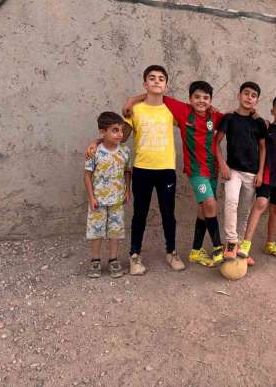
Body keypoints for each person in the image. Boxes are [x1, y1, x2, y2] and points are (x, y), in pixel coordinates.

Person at [86, 65, 185, 274]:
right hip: (141, 169)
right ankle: (135, 256)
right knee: (140, 213)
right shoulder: (135, 111)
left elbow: (195, 118)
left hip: (166, 168)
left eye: (161, 79)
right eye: (152, 78)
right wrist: (96, 141)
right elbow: (118, 136)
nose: (157, 81)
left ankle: (172, 252)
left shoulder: (171, 110)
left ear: (166, 85)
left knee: (168, 213)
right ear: (145, 84)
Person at [122, 81, 225, 267]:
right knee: (210, 204)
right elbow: (155, 94)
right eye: (197, 97)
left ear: (210, 100)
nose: (201, 101)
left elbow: (232, 121)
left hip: (212, 170)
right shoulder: (182, 110)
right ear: (189, 99)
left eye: (206, 98)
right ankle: (218, 247)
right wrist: (131, 100)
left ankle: (195, 251)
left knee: (203, 209)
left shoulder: (214, 116)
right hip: (195, 170)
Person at [215, 82, 267, 262]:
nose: (249, 97)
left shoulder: (258, 122)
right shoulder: (229, 118)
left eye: (253, 95)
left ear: (257, 100)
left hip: (252, 174)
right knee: (230, 202)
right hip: (233, 171)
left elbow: (262, 148)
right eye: (246, 93)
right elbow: (216, 142)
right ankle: (230, 242)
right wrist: (222, 164)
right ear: (239, 95)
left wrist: (260, 172)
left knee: (244, 211)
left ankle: (240, 248)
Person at [241, 95, 276, 259]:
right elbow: (251, 114)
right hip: (267, 176)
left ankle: (270, 244)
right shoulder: (266, 126)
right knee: (260, 203)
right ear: (272, 111)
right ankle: (245, 246)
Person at [84, 112, 131, 278]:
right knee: (96, 231)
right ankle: (95, 261)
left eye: (121, 130)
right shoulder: (94, 152)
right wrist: (91, 197)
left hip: (117, 200)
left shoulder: (124, 152)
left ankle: (113, 260)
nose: (120, 134)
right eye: (115, 130)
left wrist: (127, 190)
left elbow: (127, 172)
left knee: (115, 231)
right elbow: (87, 175)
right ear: (103, 132)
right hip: (98, 200)